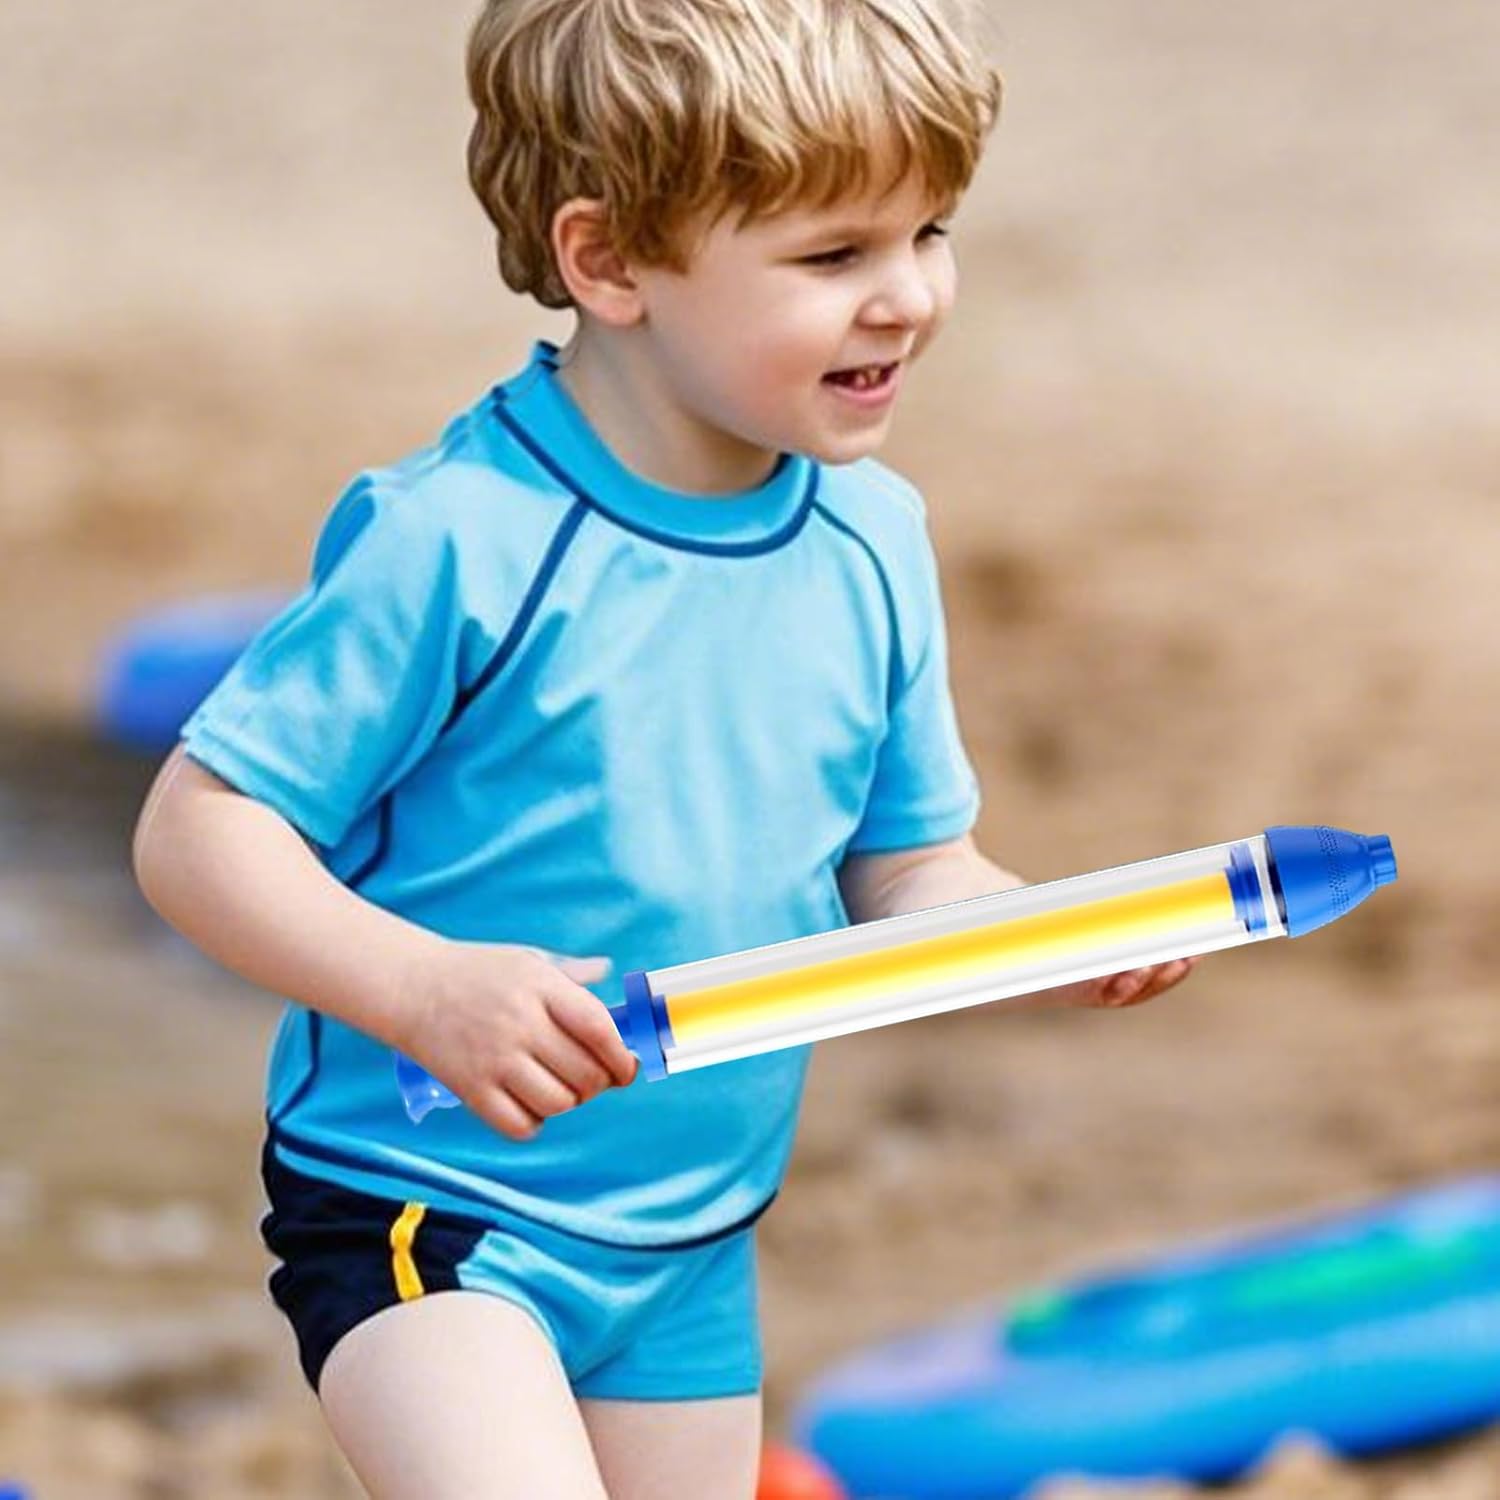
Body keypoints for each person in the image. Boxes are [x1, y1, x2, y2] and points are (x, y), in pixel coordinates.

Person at [131, 0, 1198, 1494]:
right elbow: (197, 831)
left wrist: (1044, 935)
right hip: (429, 1205)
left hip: (691, 1239)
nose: (908, 297)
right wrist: (422, 989)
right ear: (612, 262)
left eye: (928, 233)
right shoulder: (460, 538)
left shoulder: (873, 542)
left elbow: (909, 873)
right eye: (834, 255)